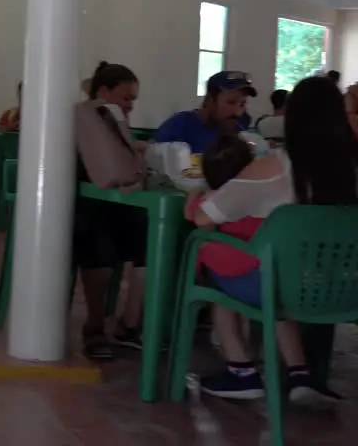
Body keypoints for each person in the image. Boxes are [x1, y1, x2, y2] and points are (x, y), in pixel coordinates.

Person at [186, 77, 347, 404]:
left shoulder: (275, 167)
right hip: (339, 289)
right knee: (281, 278)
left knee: (221, 273)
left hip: (281, 286)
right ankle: (300, 374)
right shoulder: (350, 168)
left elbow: (204, 218)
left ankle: (240, 371)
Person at [72, 62, 150, 360]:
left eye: (133, 100)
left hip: (115, 204)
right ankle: (94, 325)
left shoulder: (115, 123)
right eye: (126, 98)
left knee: (149, 234)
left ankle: (128, 323)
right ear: (103, 92)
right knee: (98, 242)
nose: (130, 106)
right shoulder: (81, 118)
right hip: (83, 206)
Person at [154, 71, 257, 153]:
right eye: (230, 102)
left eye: (242, 104)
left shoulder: (238, 133)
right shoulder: (177, 127)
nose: (237, 112)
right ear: (209, 100)